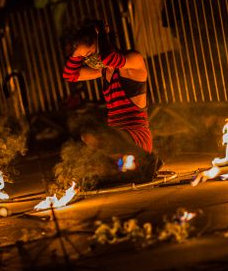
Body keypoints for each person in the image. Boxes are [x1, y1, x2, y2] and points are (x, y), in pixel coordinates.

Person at [62, 20, 162, 183]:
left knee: (93, 132)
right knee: (86, 141)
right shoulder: (102, 71)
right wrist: (77, 54)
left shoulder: (133, 60)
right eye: (86, 57)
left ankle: (146, 161)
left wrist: (101, 31)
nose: (90, 59)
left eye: (91, 53)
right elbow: (69, 75)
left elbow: (109, 57)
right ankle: (125, 168)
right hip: (115, 139)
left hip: (136, 138)